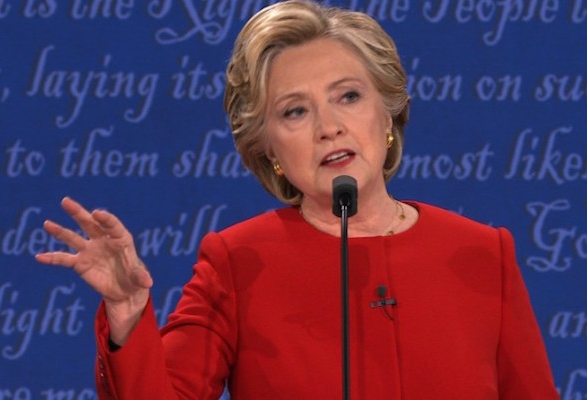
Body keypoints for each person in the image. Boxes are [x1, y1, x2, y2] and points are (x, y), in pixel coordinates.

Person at [36, 1, 559, 398]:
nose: (330, 128)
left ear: (388, 112)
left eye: (348, 96)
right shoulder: (239, 264)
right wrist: (128, 313)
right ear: (269, 149)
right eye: (295, 112)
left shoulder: (483, 254)